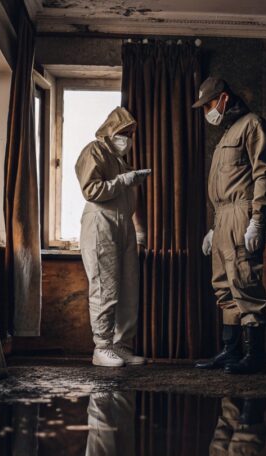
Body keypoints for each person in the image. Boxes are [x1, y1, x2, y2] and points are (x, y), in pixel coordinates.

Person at [192, 77, 266, 375]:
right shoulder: (228, 132)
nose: (207, 111)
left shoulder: (253, 125)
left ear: (224, 98)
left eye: (209, 104)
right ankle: (231, 353)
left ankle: (256, 356)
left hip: (242, 213)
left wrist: (257, 219)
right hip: (222, 215)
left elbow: (264, 174)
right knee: (223, 285)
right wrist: (215, 226)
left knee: (244, 281)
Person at [75, 107, 151, 367]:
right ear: (110, 131)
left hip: (123, 225)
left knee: (128, 288)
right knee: (105, 287)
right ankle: (102, 346)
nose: (128, 138)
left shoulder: (119, 159)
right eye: (123, 133)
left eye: (131, 134)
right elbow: (91, 190)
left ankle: (120, 345)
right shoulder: (94, 151)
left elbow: (127, 198)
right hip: (101, 222)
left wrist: (139, 233)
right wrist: (123, 180)